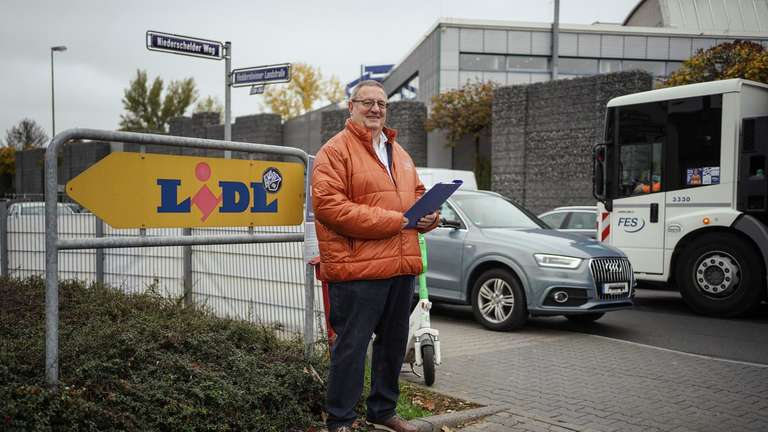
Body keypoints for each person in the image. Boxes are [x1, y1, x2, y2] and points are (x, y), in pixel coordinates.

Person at [311, 80, 439, 432]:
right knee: (351, 348)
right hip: (358, 270)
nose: (376, 109)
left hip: (401, 265)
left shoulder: (399, 152)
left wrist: (429, 217)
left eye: (382, 104)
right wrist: (397, 221)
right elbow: (330, 207)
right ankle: (341, 420)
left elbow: (417, 194)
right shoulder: (334, 152)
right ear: (350, 106)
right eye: (367, 102)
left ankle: (383, 411)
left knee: (393, 346)